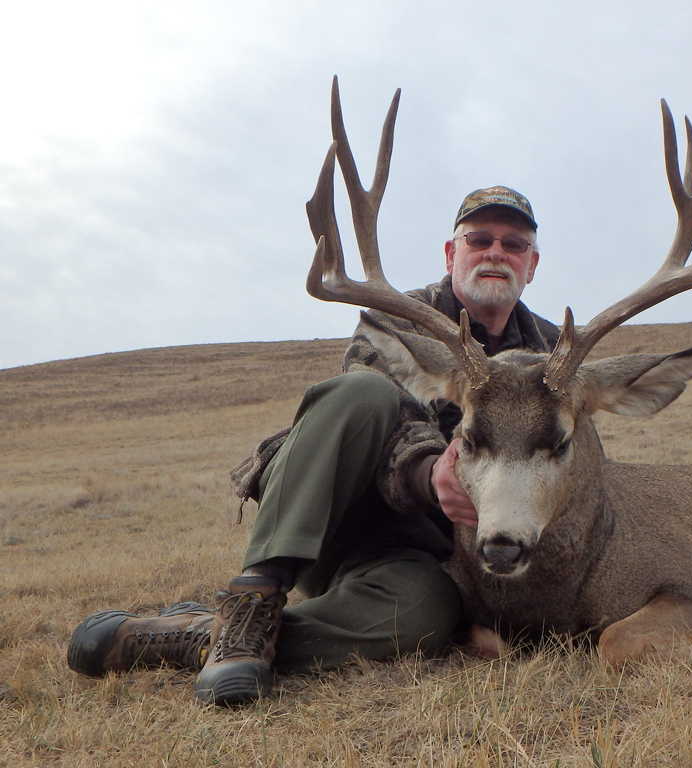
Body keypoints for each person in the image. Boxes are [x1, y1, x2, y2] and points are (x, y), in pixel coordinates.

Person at [67, 186, 560, 706]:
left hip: (425, 553)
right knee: (361, 392)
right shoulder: (398, 317)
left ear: (531, 265)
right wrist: (430, 472)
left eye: (514, 244)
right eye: (479, 239)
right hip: (338, 514)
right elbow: (384, 404)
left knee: (424, 617)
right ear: (450, 252)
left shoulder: (553, 353)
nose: (496, 253)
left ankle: (203, 636)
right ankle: (258, 592)